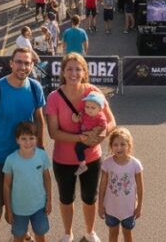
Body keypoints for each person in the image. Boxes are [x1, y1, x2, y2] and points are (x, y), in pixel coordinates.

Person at [45, 53, 116, 242]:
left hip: (92, 158)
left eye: (78, 69)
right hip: (63, 159)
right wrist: (81, 138)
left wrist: (100, 135)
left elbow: (111, 122)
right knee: (66, 199)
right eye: (69, 69)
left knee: (89, 198)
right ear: (63, 72)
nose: (73, 73)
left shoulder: (93, 92)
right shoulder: (54, 97)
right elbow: (53, 132)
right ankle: (68, 233)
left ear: (84, 72)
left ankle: (90, 231)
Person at [0, 48, 47, 221]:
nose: (22, 66)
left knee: (23, 199)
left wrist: (40, 148)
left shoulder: (35, 87)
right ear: (10, 63)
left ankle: (21, 234)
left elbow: (39, 119)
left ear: (32, 65)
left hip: (26, 157)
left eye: (27, 63)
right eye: (19, 62)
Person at [3, 121, 53, 242]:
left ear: (36, 139)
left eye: (31, 138)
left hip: (39, 207)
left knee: (40, 234)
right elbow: (6, 186)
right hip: (18, 209)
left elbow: (47, 179)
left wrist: (49, 200)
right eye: (23, 138)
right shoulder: (11, 160)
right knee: (19, 236)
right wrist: (8, 209)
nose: (28, 142)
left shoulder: (42, 156)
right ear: (17, 140)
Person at [98, 127, 144, 242]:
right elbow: (102, 185)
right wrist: (100, 205)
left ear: (129, 145)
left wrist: (139, 207)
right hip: (111, 208)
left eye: (122, 144)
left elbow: (140, 187)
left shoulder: (135, 165)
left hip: (128, 209)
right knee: (113, 233)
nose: (119, 148)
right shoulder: (107, 164)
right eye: (115, 144)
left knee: (127, 235)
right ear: (111, 146)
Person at [74, 92, 109, 176]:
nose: (89, 110)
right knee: (79, 147)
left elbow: (104, 126)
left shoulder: (100, 117)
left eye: (93, 108)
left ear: (99, 109)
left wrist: (97, 131)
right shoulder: (85, 114)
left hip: (91, 138)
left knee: (78, 148)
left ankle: (82, 166)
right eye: (87, 107)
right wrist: (76, 118)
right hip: (85, 135)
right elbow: (78, 119)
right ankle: (83, 164)